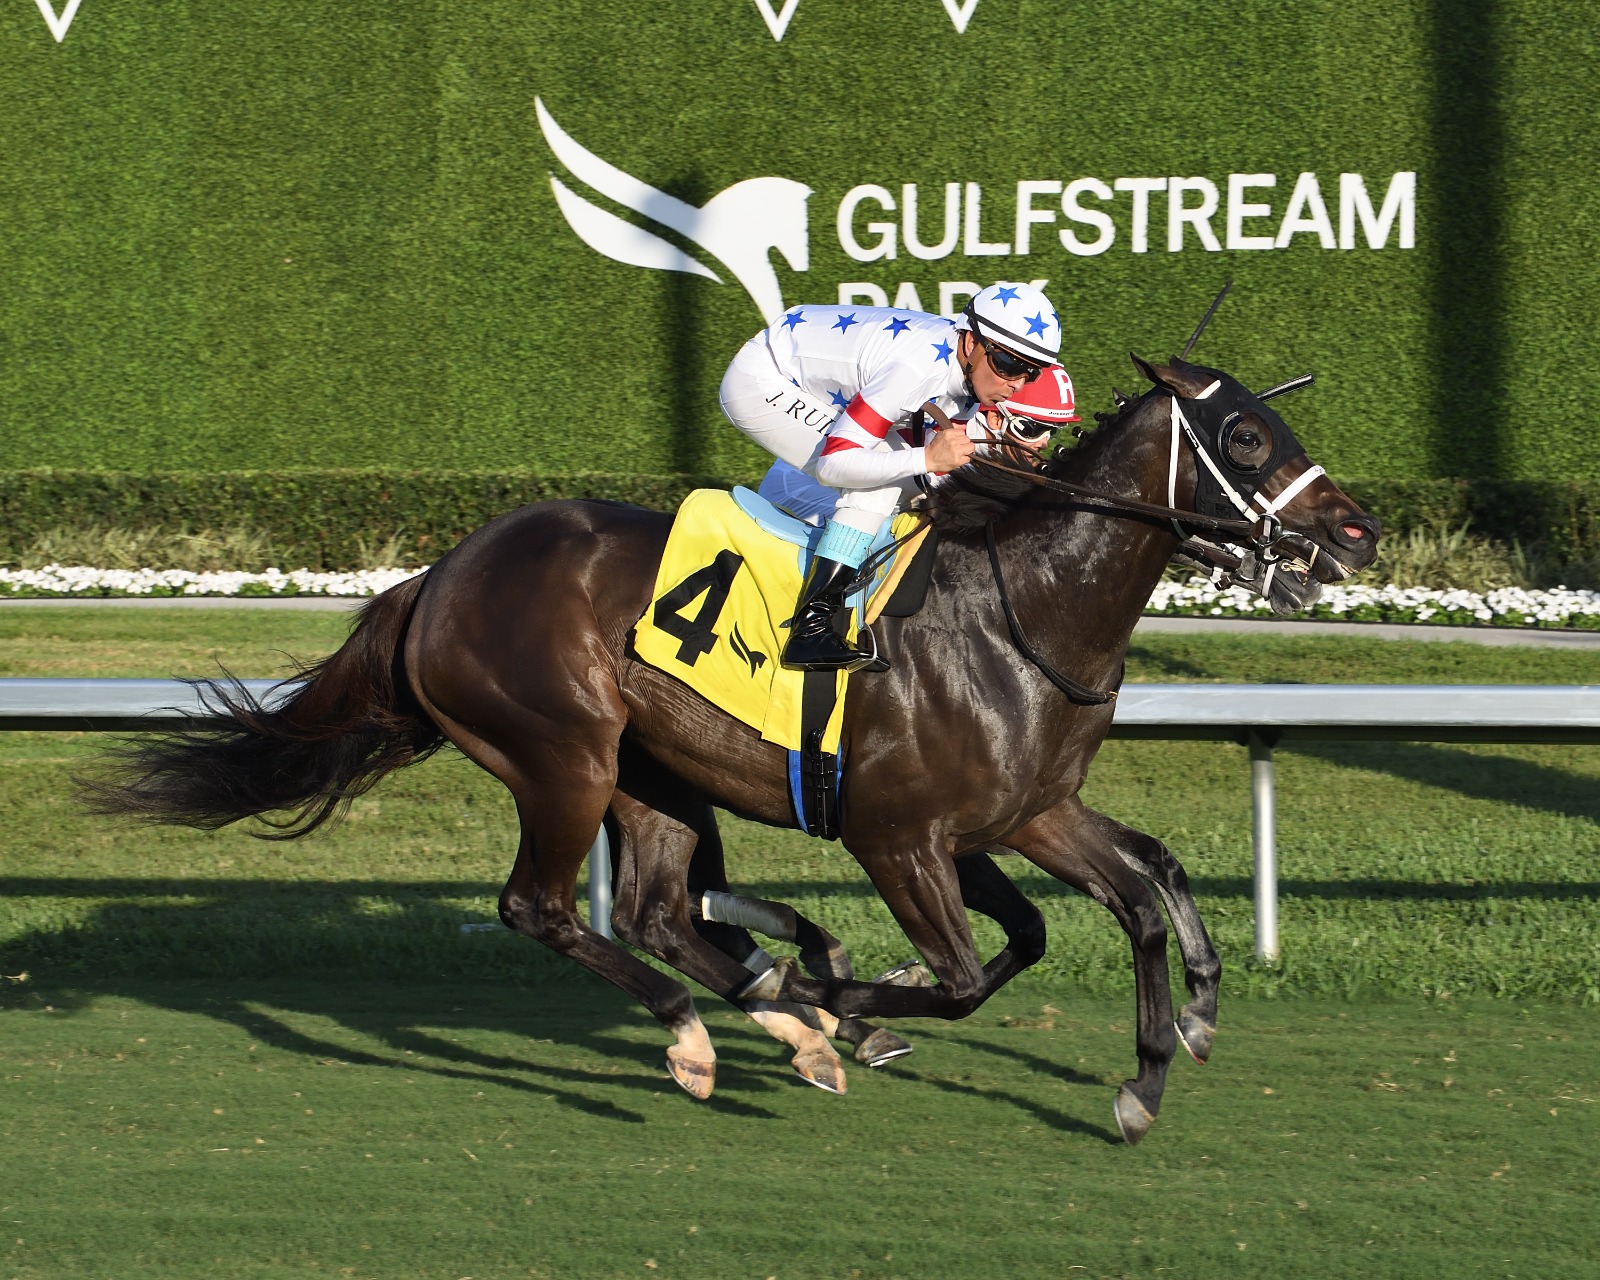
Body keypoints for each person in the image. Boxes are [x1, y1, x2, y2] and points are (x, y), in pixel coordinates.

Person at [718, 282, 1062, 670]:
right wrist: (927, 458)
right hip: (761, 379)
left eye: (1032, 371)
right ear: (970, 343)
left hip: (805, 369)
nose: (1016, 383)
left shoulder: (967, 375)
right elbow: (835, 465)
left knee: (909, 478)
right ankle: (809, 631)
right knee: (879, 481)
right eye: (1009, 364)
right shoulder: (914, 370)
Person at [756, 361, 1080, 523]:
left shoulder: (980, 424)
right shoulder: (963, 441)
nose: (1044, 442)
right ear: (995, 418)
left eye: (1055, 430)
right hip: (803, 485)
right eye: (1033, 428)